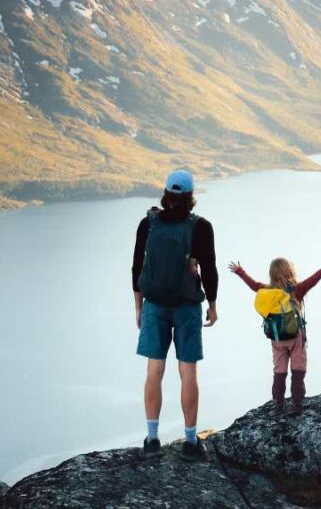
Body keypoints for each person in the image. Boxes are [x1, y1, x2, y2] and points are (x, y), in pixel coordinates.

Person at [132, 169, 218, 461]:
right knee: (188, 372)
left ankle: (152, 440)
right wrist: (213, 304)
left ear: (166, 194)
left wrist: (139, 306)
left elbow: (136, 267)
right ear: (191, 196)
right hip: (187, 305)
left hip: (155, 304)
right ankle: (191, 441)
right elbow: (209, 268)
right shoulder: (201, 226)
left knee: (154, 371)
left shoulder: (149, 223)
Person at [228, 252, 321, 412]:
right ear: (290, 272)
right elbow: (315, 278)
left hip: (276, 337)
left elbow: (253, 284)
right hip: (296, 337)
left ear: (272, 274)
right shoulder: (297, 290)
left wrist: (240, 271)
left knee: (279, 370)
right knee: (298, 368)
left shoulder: (266, 291)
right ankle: (297, 402)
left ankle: (278, 402)